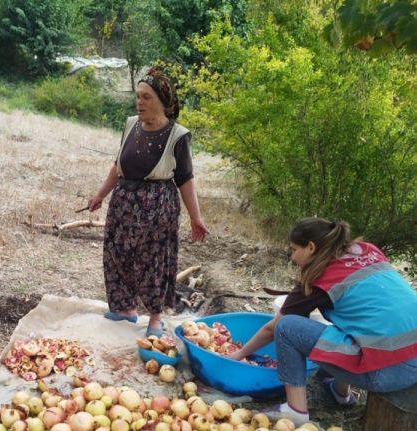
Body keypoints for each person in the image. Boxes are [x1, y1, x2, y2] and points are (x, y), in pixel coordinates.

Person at [228, 217, 417, 423]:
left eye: (293, 249)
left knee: (286, 327)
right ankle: (340, 392)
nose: (292, 258)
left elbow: (272, 329)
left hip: (389, 372)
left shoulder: (318, 276)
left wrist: (238, 354)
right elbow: (367, 314)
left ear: (310, 247)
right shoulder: (367, 250)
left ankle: (295, 411)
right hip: (411, 356)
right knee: (353, 320)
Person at [87, 67, 208, 337]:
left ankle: (155, 317)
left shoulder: (177, 136)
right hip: (124, 204)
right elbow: (118, 165)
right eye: (138, 96)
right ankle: (124, 309)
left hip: (158, 209)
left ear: (163, 101)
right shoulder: (131, 124)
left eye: (146, 97)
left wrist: (196, 217)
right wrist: (100, 195)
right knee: (117, 255)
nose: (139, 102)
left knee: (154, 262)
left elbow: (186, 179)